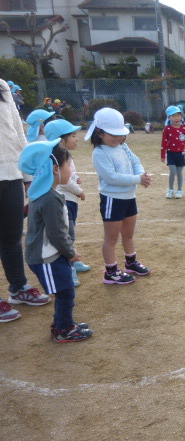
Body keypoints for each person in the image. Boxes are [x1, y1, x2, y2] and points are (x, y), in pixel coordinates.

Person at [19, 139, 93, 342]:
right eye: (68, 165)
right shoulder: (50, 198)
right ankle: (63, 329)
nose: (71, 169)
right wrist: (72, 253)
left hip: (52, 253)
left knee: (66, 289)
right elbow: (57, 233)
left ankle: (64, 324)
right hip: (45, 258)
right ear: (54, 168)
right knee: (65, 292)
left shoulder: (46, 193)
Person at [0, 78, 50, 323]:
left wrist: (27, 175)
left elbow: (17, 131)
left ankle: (18, 288)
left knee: (11, 237)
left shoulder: (2, 87)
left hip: (9, 173)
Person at [85, 107, 152, 285]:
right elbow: (111, 177)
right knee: (111, 238)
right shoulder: (99, 153)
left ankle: (131, 263)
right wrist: (138, 179)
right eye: (112, 135)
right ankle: (111, 271)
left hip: (129, 197)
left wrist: (142, 175)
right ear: (99, 133)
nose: (118, 138)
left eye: (120, 134)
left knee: (128, 235)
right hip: (112, 200)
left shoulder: (123, 146)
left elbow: (135, 161)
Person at [45, 119, 91, 286]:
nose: (76, 138)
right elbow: (64, 181)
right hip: (64, 200)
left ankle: (73, 261)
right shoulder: (58, 156)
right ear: (60, 139)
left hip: (69, 201)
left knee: (71, 233)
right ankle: (69, 268)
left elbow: (69, 175)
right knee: (67, 234)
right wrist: (80, 191)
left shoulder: (65, 155)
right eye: (72, 136)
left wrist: (76, 178)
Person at [161, 105, 185, 199]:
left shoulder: (184, 129)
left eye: (178, 116)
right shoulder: (167, 129)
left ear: (181, 117)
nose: (176, 118)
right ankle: (170, 190)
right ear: (169, 117)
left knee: (179, 173)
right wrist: (163, 155)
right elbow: (163, 143)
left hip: (181, 154)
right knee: (172, 171)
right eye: (173, 116)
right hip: (171, 154)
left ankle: (179, 190)